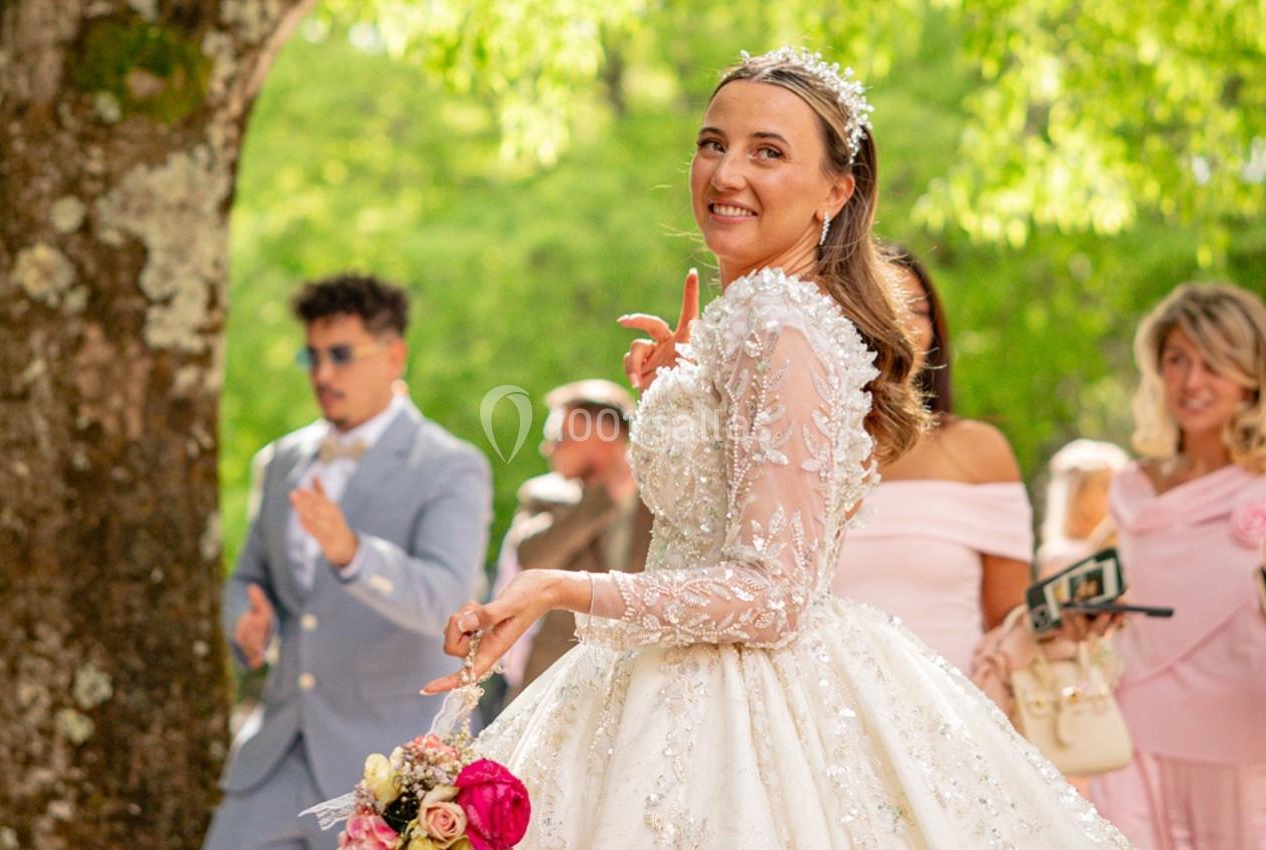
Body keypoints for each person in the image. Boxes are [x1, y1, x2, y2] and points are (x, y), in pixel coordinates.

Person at [422, 48, 1130, 848]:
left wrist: (561, 587)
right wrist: (689, 388)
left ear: (836, 191)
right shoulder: (762, 317)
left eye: (768, 152)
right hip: (672, 676)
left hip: (739, 709)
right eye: (712, 143)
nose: (726, 173)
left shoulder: (781, 325)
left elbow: (772, 594)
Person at [203, 274, 492, 850]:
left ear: (393, 356)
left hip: (395, 770)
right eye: (311, 356)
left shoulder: (451, 466)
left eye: (340, 355)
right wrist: (245, 619)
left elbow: (448, 600)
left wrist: (354, 555)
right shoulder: (281, 461)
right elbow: (249, 577)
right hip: (274, 758)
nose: (322, 373)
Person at [1090, 282, 1266, 850]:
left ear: (1251, 375)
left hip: (1244, 744)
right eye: (1177, 360)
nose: (1191, 382)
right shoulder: (1133, 488)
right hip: (1135, 738)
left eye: (1213, 363)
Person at [831, 246, 1034, 672]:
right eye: (885, 306)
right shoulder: (798, 452)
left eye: (918, 311)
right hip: (822, 705)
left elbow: (1011, 622)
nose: (903, 325)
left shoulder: (980, 451)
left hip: (956, 703)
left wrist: (1067, 623)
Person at [491, 380, 652, 701]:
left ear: (605, 437)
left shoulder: (658, 501)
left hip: (639, 684)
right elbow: (531, 557)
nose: (547, 449)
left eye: (559, 439)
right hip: (553, 686)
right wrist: (605, 498)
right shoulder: (543, 495)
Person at [1035, 438, 1130, 575]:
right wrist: (1100, 546)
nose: (1115, 494)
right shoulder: (1058, 554)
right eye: (1105, 486)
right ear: (1077, 495)